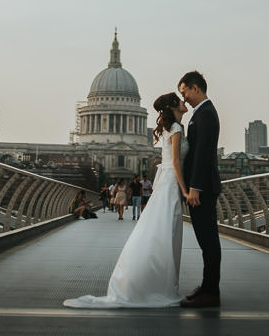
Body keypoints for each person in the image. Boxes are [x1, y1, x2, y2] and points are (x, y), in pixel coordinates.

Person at [63, 93, 189, 308]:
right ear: (173, 105)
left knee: (157, 231)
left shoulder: (171, 129)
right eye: (181, 99)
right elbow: (176, 162)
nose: (184, 101)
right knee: (166, 231)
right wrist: (186, 191)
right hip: (170, 183)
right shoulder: (176, 129)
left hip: (166, 183)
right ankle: (162, 283)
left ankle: (150, 282)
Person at [178, 70, 221, 308]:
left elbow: (202, 153)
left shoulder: (205, 114)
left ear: (196, 88)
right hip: (201, 186)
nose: (183, 99)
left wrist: (195, 187)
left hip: (202, 188)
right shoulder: (201, 113)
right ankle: (207, 287)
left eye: (184, 92)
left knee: (209, 240)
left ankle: (211, 292)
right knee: (206, 241)